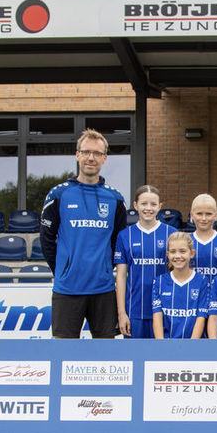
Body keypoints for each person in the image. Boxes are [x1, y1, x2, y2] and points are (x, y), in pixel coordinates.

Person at [40, 128, 127, 339]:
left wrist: (104, 269)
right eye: (86, 152)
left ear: (104, 158)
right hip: (67, 289)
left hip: (103, 289)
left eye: (97, 153)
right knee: (63, 350)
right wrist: (63, 271)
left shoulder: (115, 199)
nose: (91, 158)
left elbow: (118, 242)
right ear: (77, 154)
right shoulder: (58, 194)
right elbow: (46, 239)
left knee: (105, 351)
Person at [114, 185, 178, 339]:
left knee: (163, 353)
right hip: (134, 310)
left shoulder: (171, 233)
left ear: (160, 206)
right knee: (135, 353)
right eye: (144, 203)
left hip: (166, 310)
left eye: (153, 204)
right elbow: (121, 276)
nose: (148, 208)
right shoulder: (125, 235)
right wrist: (121, 313)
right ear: (135, 205)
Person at [151, 232, 210, 339]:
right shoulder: (159, 281)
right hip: (166, 344)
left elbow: (201, 317)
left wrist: (191, 345)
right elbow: (157, 315)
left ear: (192, 253)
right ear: (168, 254)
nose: (178, 256)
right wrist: (161, 344)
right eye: (173, 251)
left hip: (193, 344)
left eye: (182, 251)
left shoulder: (202, 281)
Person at [188, 193, 217, 281]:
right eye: (199, 214)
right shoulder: (185, 241)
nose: (204, 218)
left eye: (208, 214)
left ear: (215, 216)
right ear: (192, 215)